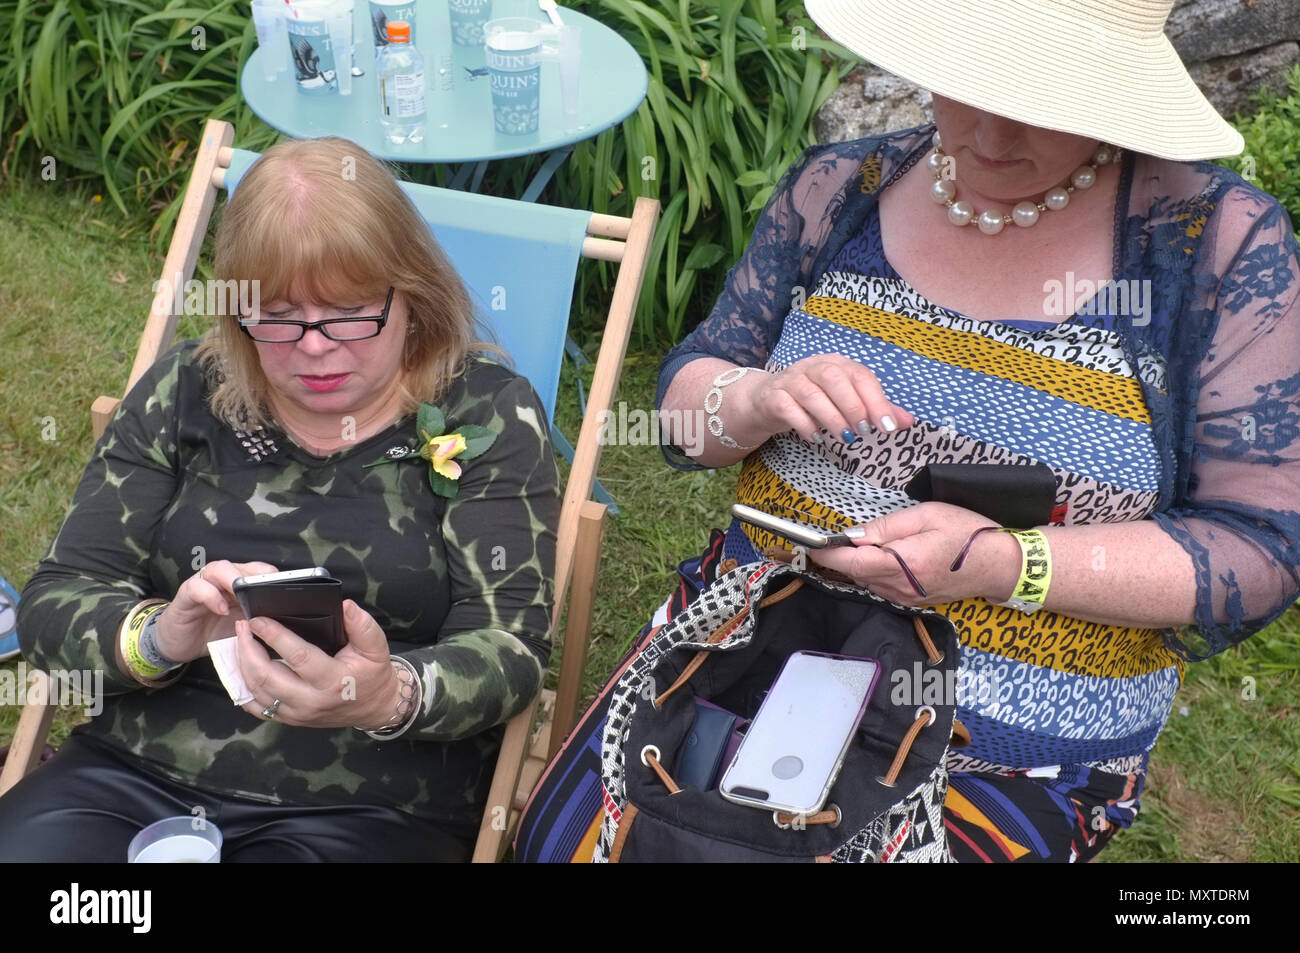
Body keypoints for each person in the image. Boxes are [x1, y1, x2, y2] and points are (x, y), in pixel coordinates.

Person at [654, 0, 1300, 861]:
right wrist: (756, 399)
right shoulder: (840, 189)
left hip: (998, 743)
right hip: (746, 654)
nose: (991, 133)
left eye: (1044, 97)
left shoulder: (1209, 247)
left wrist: (1009, 563)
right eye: (968, 83)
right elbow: (682, 412)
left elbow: (1261, 546)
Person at [0, 137, 560, 862]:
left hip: (373, 799)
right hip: (134, 773)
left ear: (411, 295)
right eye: (279, 318)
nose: (317, 347)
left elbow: (509, 648)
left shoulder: (481, 413)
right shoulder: (186, 393)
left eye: (351, 312)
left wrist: (386, 693)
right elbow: (54, 603)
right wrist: (162, 635)